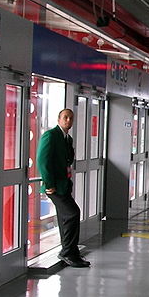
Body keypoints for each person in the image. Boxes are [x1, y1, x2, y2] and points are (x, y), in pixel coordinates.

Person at [36, 108, 90, 268]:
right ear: (59, 119)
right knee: (73, 213)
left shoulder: (67, 138)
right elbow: (42, 161)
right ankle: (68, 252)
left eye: (71, 118)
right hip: (54, 187)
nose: (68, 121)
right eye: (65, 117)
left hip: (64, 184)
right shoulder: (50, 136)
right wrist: (49, 183)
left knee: (65, 216)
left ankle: (71, 251)